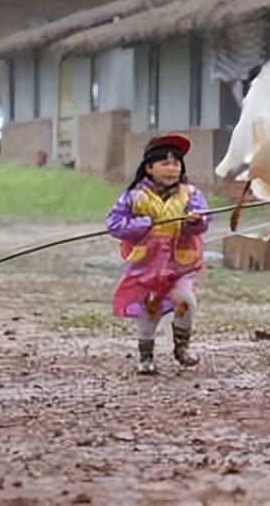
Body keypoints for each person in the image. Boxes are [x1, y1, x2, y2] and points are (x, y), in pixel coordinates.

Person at [105, 133, 212, 375]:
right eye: (165, 163)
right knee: (148, 311)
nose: (171, 168)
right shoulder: (133, 197)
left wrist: (194, 221)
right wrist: (143, 224)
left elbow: (204, 219)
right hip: (146, 266)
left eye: (176, 163)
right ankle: (146, 357)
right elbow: (114, 223)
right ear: (149, 168)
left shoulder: (190, 194)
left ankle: (181, 348)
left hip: (179, 265)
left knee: (186, 301)